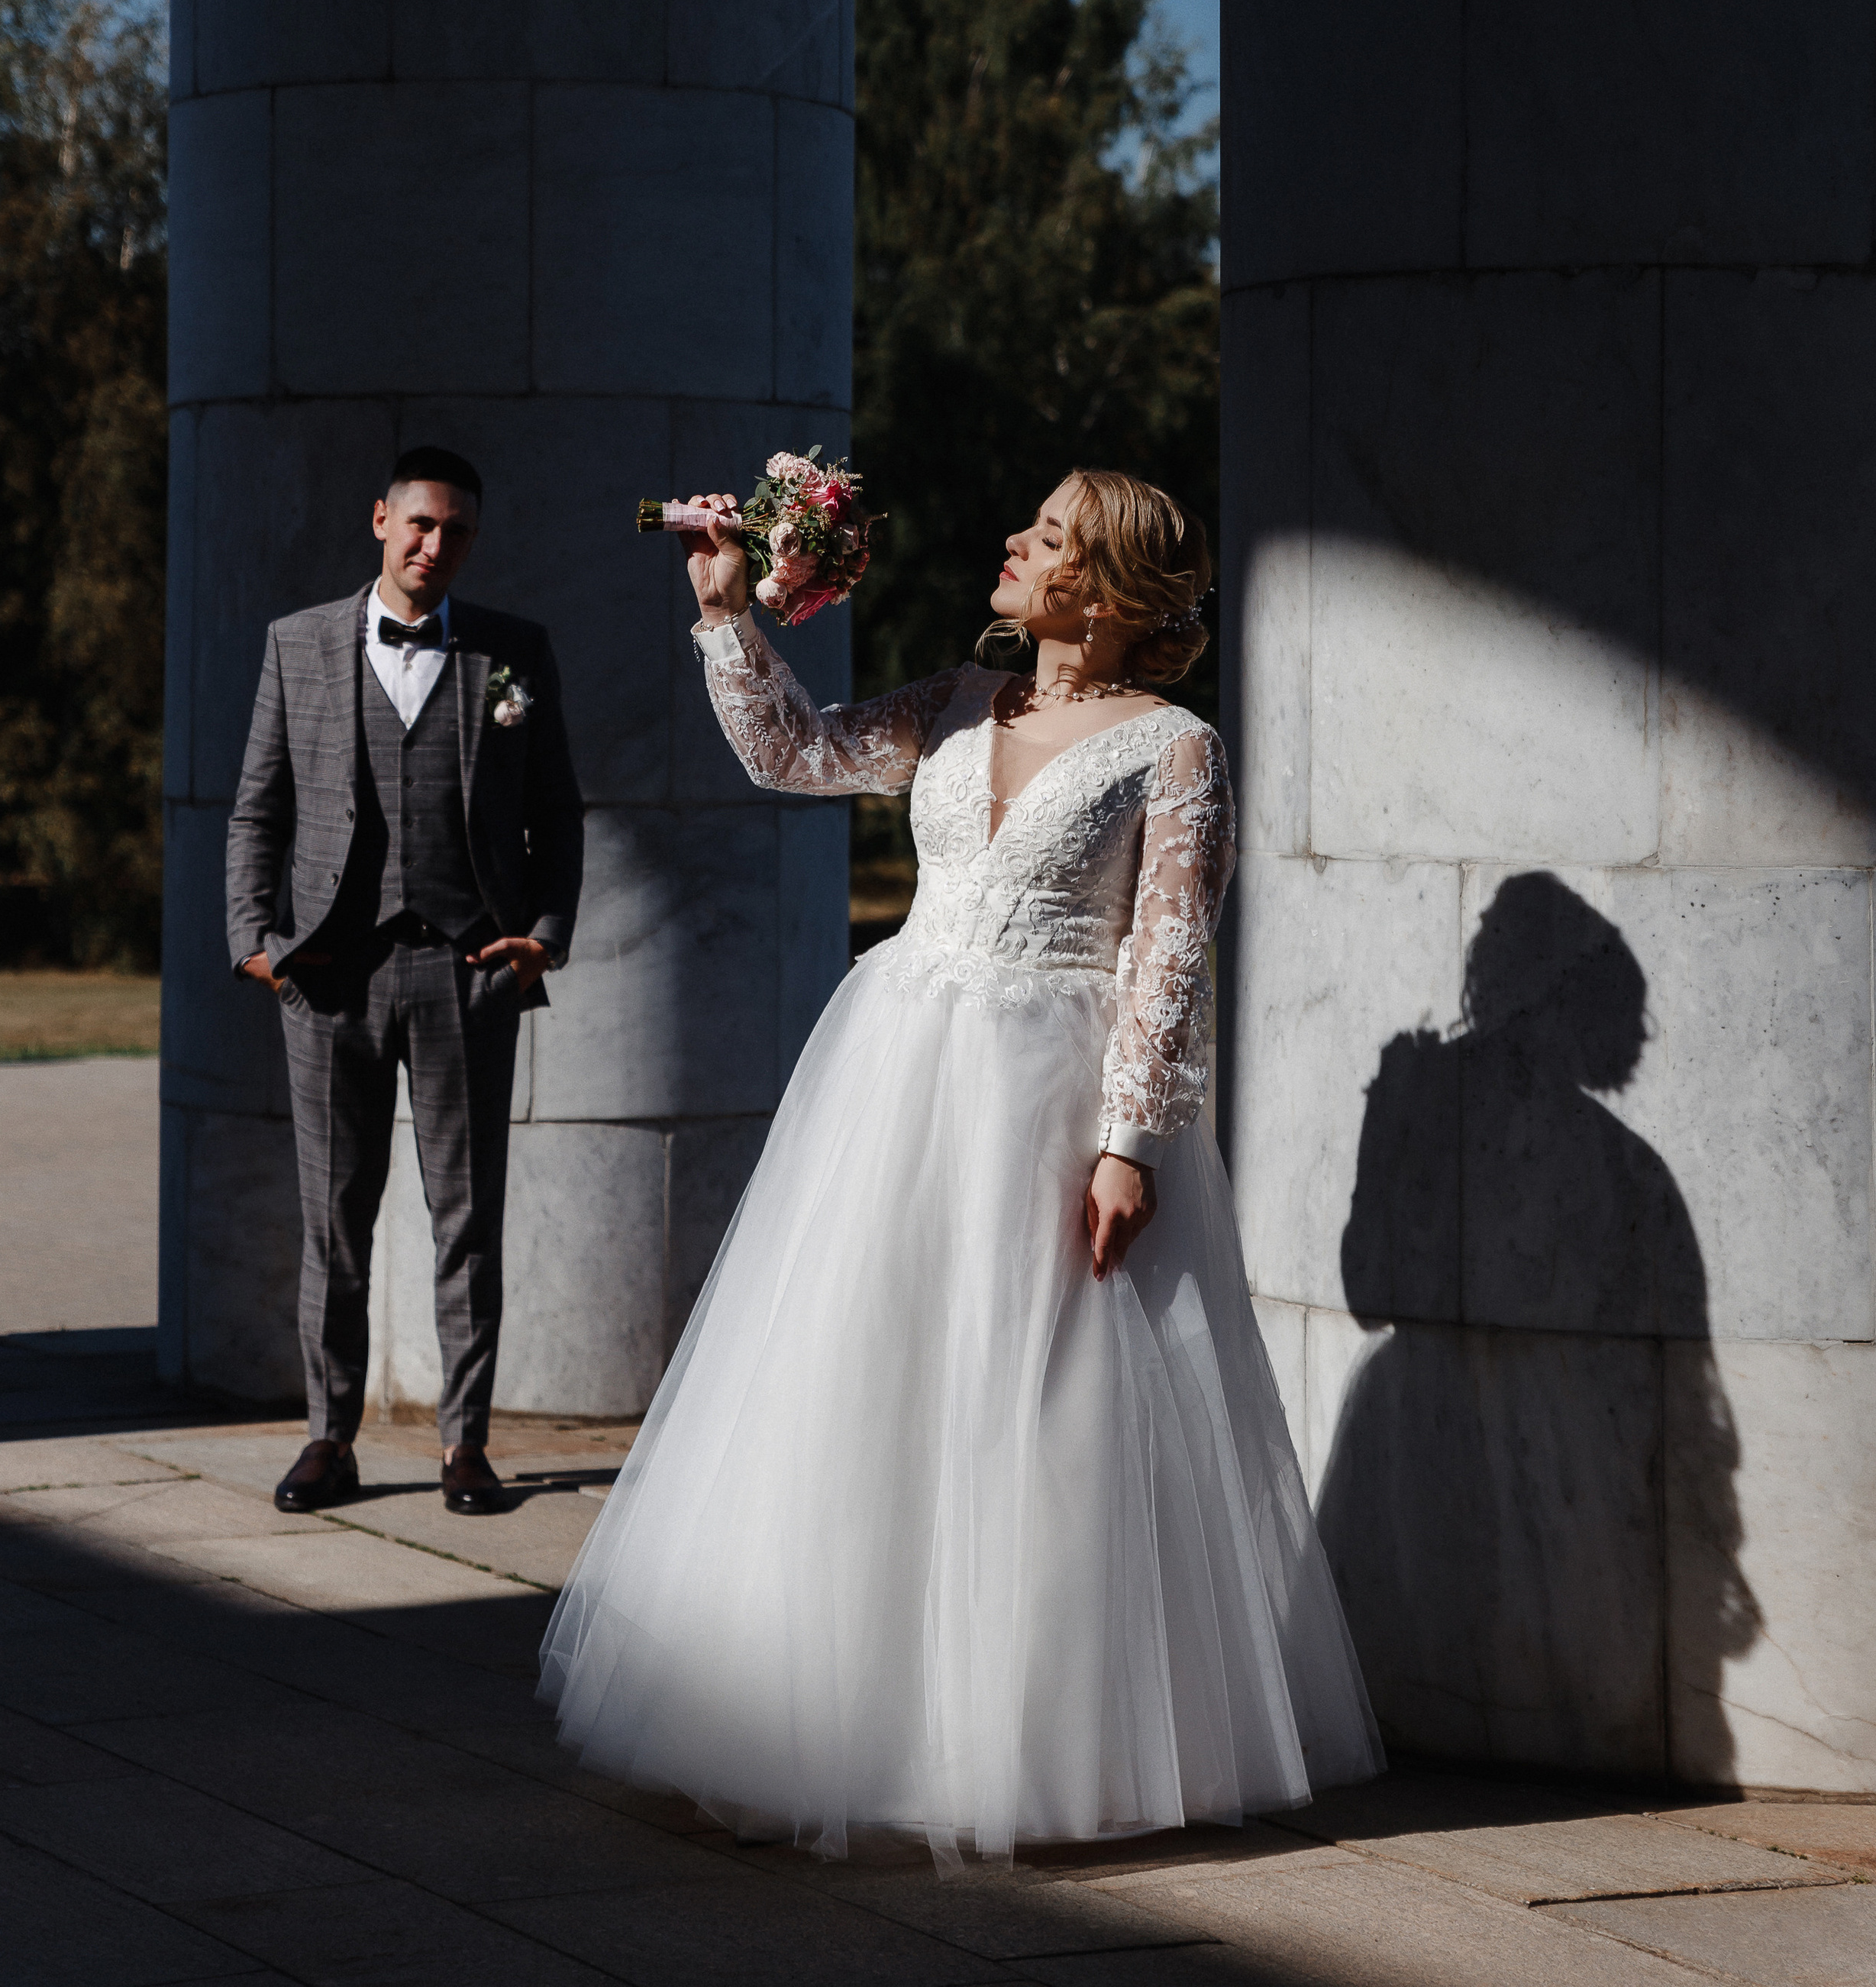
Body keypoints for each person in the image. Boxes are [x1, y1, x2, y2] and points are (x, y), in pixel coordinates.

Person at [538, 467, 1379, 1859]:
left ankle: (1034, 1736)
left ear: (1102, 592)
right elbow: (792, 757)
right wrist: (724, 616)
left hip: (1050, 1091)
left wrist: (1132, 1145)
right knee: (870, 1371)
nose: (1011, 541)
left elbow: (1168, 955)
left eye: (1045, 536)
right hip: (901, 1064)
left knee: (1039, 1399)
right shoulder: (947, 701)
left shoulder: (1177, 748)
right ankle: (838, 1714)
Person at [225, 446, 583, 1518]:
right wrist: (254, 935)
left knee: (466, 1221)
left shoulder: (514, 652)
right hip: (329, 976)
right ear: (380, 520)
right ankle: (328, 1440)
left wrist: (545, 935)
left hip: (467, 970)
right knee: (333, 1218)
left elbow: (557, 812)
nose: (436, 547)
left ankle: (463, 1445)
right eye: (420, 524)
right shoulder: (298, 644)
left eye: (457, 532)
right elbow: (258, 806)